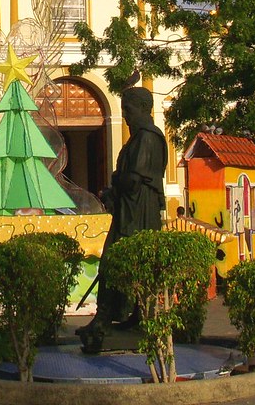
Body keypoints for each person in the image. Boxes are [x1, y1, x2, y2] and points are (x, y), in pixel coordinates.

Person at [78, 86, 167, 351]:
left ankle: (110, 320)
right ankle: (119, 318)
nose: (125, 116)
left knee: (114, 264)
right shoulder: (138, 138)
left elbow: (132, 180)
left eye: (127, 110)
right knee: (121, 266)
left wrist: (114, 184)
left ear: (142, 109)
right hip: (129, 213)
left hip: (137, 216)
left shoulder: (147, 139)